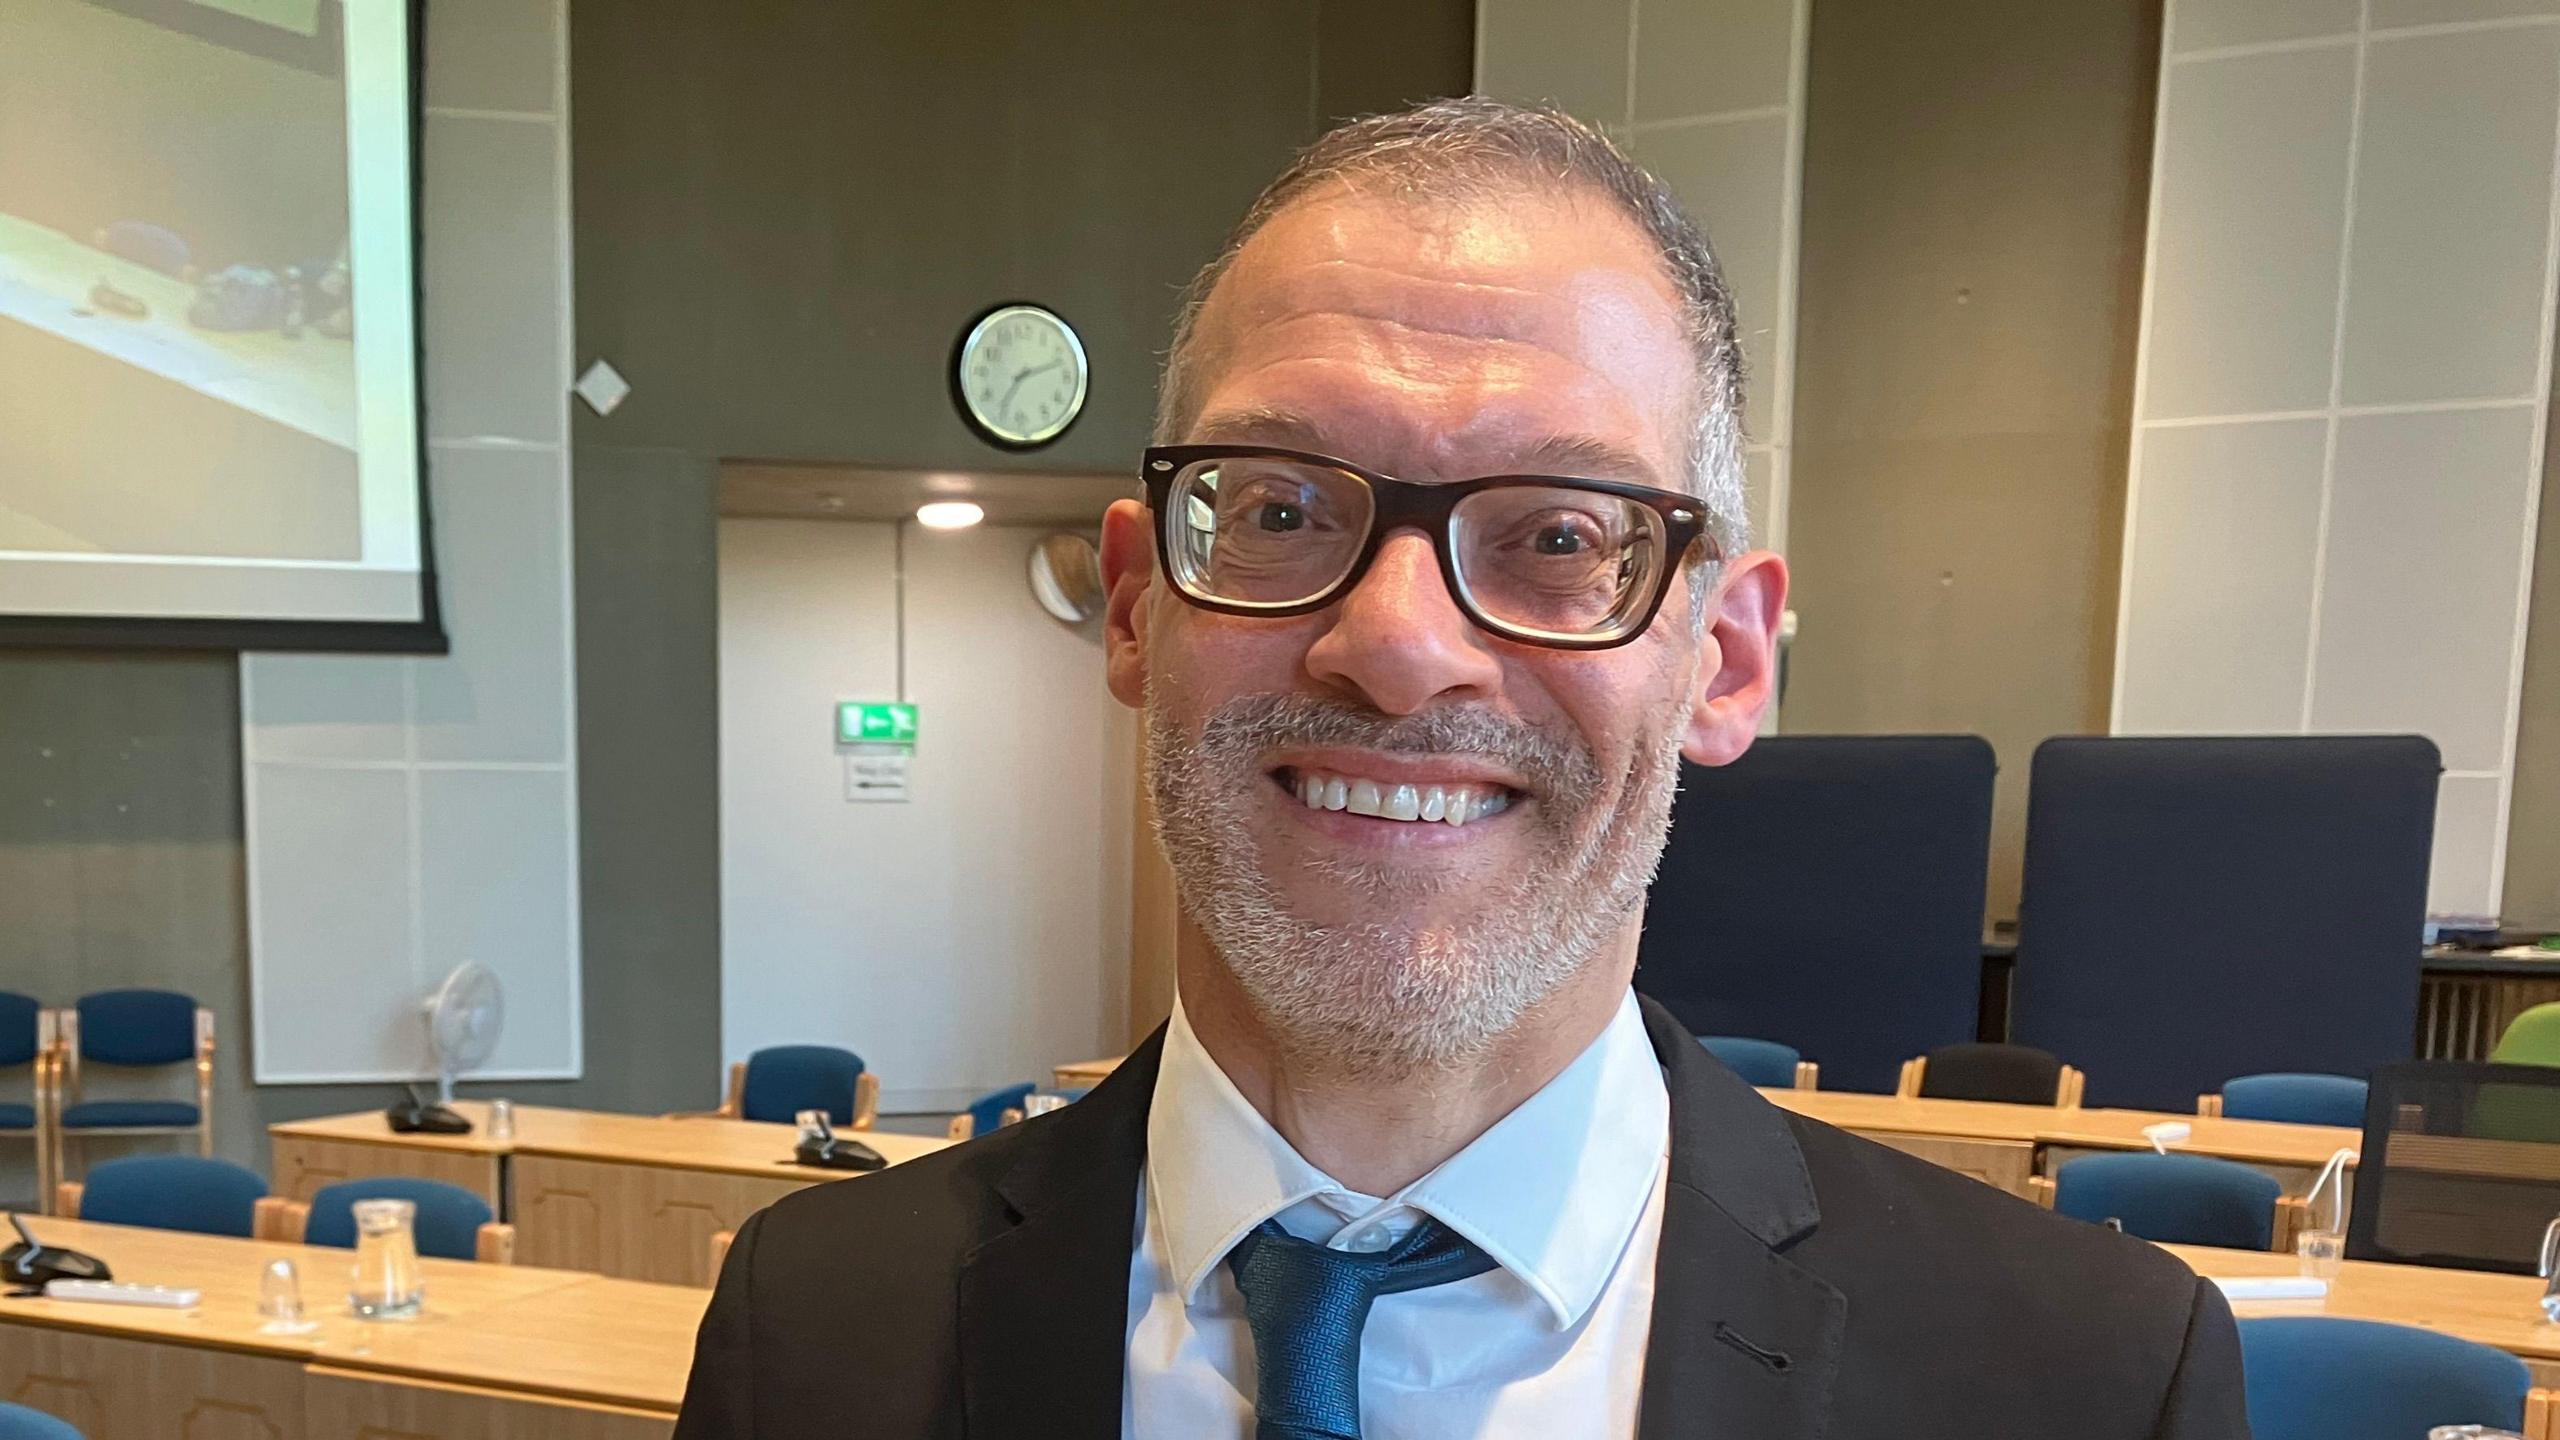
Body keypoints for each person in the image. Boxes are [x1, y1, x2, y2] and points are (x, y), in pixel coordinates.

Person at [674, 97, 2247, 1439]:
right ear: (1141, 607)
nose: (1400, 643)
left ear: (1729, 661)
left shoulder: (2085, 1383)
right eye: (1282, 508)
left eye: (1561, 536)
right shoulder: (813, 1334)